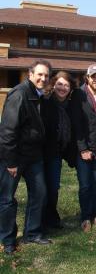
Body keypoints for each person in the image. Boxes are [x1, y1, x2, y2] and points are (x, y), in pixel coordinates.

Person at [0, 59, 52, 254]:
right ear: (30, 75)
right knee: (6, 199)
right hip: (14, 156)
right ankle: (7, 239)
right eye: (39, 74)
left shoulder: (39, 96)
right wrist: (11, 161)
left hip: (34, 156)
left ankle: (32, 233)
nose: (43, 78)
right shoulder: (20, 94)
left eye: (46, 75)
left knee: (39, 193)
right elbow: (7, 131)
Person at [71, 63, 96, 232]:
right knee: (85, 185)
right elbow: (76, 123)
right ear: (87, 77)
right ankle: (85, 216)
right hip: (83, 150)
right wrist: (82, 149)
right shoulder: (79, 94)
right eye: (93, 76)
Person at [41, 71, 76, 229]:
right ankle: (41, 220)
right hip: (42, 152)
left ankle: (51, 218)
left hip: (57, 152)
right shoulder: (45, 102)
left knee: (54, 186)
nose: (63, 88)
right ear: (54, 85)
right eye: (60, 84)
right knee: (42, 188)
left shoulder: (69, 105)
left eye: (66, 85)